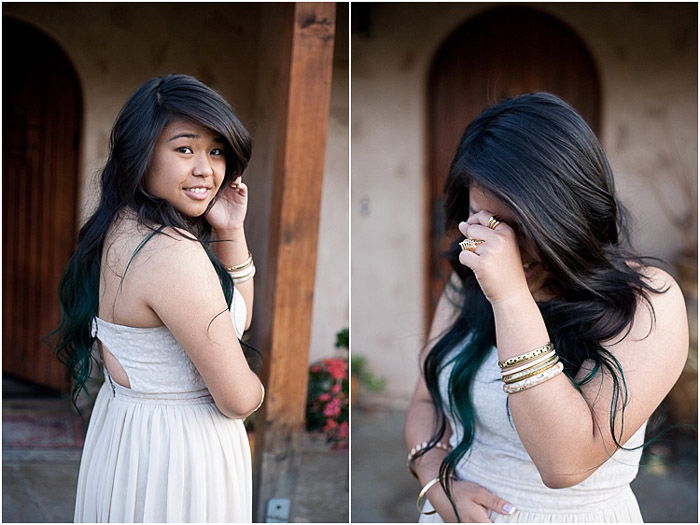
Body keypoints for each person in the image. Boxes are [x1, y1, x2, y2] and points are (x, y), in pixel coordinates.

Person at [405, 92, 688, 523]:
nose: (499, 247)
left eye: (517, 226)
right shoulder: (468, 280)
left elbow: (564, 463)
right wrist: (433, 477)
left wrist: (511, 298)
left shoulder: (647, 301)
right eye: (484, 220)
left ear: (568, 213)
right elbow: (426, 401)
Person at [52, 74, 264, 522]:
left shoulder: (122, 228)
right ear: (141, 153)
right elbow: (238, 399)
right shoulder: (172, 253)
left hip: (133, 436)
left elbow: (231, 323)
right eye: (184, 148)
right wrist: (258, 386)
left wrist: (230, 230)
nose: (206, 169)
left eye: (217, 150)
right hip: (178, 455)